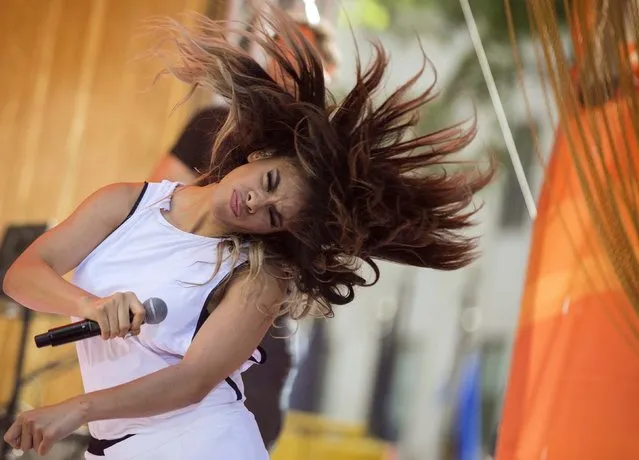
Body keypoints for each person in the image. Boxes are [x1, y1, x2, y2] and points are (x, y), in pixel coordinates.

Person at [1, 8, 494, 460]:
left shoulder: (258, 275)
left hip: (200, 443)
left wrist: (78, 409)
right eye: (271, 183)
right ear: (258, 156)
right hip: (115, 444)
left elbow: (192, 380)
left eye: (275, 215)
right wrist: (87, 305)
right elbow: (22, 275)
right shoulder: (126, 202)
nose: (258, 202)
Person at [146, 16, 339, 449]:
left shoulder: (318, 165)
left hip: (257, 332)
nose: (289, 70)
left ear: (325, 77)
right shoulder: (212, 123)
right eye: (283, 57)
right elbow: (158, 200)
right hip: (182, 314)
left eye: (303, 63)